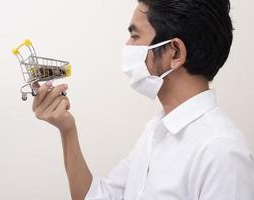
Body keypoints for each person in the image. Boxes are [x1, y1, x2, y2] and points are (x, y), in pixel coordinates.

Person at [32, 0, 254, 199]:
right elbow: (98, 196)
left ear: (175, 52)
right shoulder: (157, 132)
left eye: (135, 36)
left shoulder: (221, 153)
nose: (128, 46)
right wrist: (67, 129)